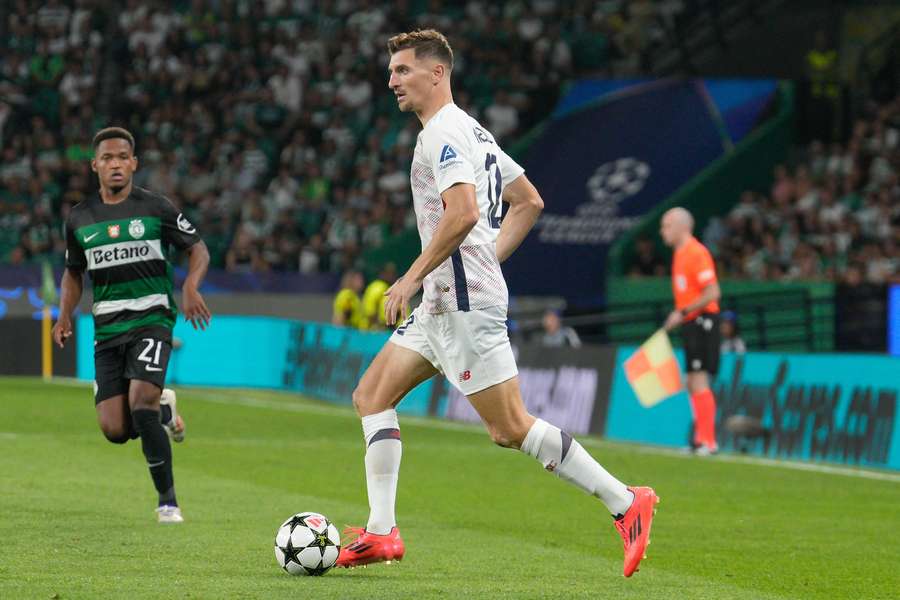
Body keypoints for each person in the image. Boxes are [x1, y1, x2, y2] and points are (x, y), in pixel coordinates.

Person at [336, 30, 658, 578]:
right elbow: (527, 201)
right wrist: (486, 260)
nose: (391, 80)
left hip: (458, 301)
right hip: (448, 297)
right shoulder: (475, 132)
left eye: (402, 70)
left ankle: (626, 502)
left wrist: (411, 277)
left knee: (509, 429)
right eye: (391, 71)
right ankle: (382, 532)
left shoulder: (441, 134)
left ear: (437, 73)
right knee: (371, 395)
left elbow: (462, 214)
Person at [52, 127, 211, 523]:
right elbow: (73, 274)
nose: (116, 164)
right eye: (107, 158)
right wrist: (64, 315)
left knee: (140, 398)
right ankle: (165, 413)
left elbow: (198, 248)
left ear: (134, 163)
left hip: (152, 321)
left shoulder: (156, 208)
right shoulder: (79, 218)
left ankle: (168, 502)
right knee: (115, 429)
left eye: (123, 157)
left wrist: (191, 285)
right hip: (107, 331)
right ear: (95, 166)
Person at [661, 207, 721, 455]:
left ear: (681, 227)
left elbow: (712, 293)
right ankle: (700, 439)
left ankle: (708, 441)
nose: (662, 232)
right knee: (692, 380)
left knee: (699, 378)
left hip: (702, 320)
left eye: (665, 226)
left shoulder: (697, 252)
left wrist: (683, 312)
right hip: (690, 322)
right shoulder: (679, 254)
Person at [361, 263, 397, 330]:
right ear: (382, 273)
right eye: (388, 273)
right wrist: (379, 325)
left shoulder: (388, 287)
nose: (392, 276)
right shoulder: (377, 286)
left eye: (393, 273)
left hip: (381, 330)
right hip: (371, 330)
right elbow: (369, 312)